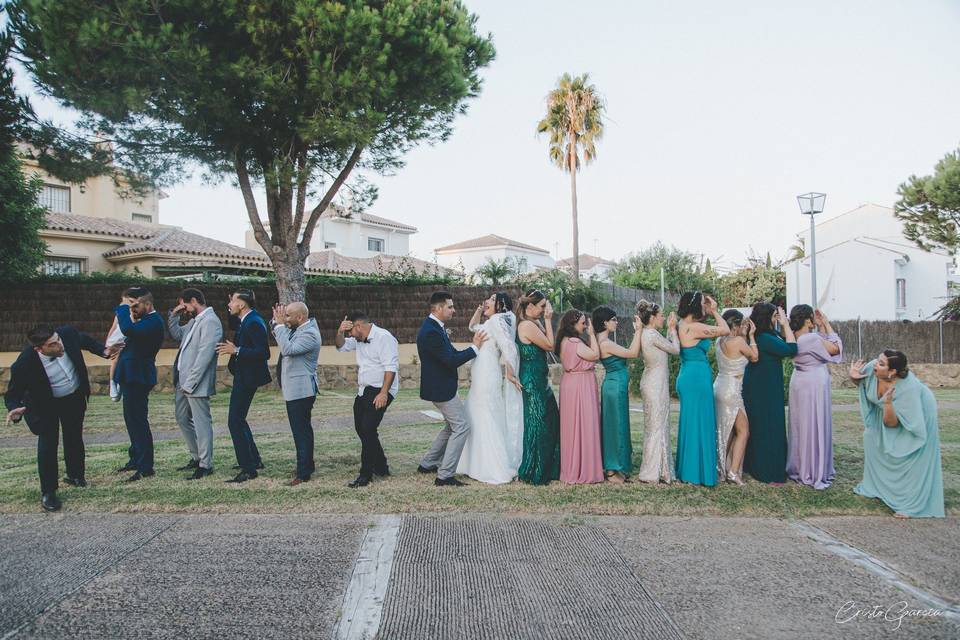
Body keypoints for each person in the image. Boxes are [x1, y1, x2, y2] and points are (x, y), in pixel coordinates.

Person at [4, 325, 115, 511]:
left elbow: (84, 340)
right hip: (45, 404)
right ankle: (48, 492)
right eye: (53, 344)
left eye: (58, 340)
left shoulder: (67, 335)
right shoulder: (25, 363)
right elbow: (13, 393)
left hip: (73, 398)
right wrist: (14, 408)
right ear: (39, 349)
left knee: (73, 435)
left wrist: (102, 351)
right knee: (48, 444)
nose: (59, 345)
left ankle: (76, 475)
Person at [850, 351, 944, 518]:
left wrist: (887, 403)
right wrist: (854, 377)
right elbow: (864, 384)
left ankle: (911, 504)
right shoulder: (873, 368)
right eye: (877, 361)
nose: (874, 365)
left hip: (916, 411)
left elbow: (891, 423)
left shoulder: (908, 388)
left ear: (892, 372)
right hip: (888, 410)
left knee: (914, 454)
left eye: (881, 364)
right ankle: (875, 487)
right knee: (870, 437)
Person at [417, 291, 487, 487]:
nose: (453, 310)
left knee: (451, 426)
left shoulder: (435, 327)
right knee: (462, 426)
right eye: (450, 307)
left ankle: (428, 463)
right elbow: (450, 360)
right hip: (441, 389)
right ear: (438, 308)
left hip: (442, 386)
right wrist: (474, 348)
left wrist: (470, 349)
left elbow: (450, 353)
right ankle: (445, 475)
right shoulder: (431, 331)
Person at [456, 292, 524, 484]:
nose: (487, 301)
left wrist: (509, 373)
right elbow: (472, 326)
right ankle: (473, 462)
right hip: (481, 371)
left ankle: (492, 465)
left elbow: (510, 348)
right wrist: (479, 310)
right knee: (476, 412)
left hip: (488, 372)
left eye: (492, 300)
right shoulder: (492, 322)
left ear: (500, 305)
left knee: (486, 413)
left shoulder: (495, 322)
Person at [336, 312, 401, 488]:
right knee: (362, 429)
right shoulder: (358, 338)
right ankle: (381, 466)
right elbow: (340, 346)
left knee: (368, 428)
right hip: (364, 389)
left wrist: (383, 393)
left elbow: (391, 366)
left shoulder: (384, 337)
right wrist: (340, 331)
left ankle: (365, 475)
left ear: (359, 326)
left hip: (381, 388)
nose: (350, 335)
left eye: (350, 331)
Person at [167, 288, 222, 480]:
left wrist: (191, 382)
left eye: (185, 305)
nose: (185, 309)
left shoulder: (211, 321)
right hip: (182, 381)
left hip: (196, 382)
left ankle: (205, 464)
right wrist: (174, 315)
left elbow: (205, 356)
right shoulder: (193, 322)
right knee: (182, 418)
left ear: (193, 300)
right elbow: (176, 334)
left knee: (201, 423)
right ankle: (196, 456)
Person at [675, 292, 729, 487]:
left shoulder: (681, 325)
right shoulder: (695, 328)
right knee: (700, 421)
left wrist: (707, 310)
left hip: (687, 375)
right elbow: (725, 329)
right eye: (701, 304)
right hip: (696, 378)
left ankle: (688, 469)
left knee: (691, 422)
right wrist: (714, 311)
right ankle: (695, 472)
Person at [217, 290, 271, 483]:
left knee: (234, 421)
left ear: (242, 304)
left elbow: (264, 352)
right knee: (239, 419)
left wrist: (236, 350)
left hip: (248, 377)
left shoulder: (254, 322)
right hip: (243, 375)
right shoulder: (246, 319)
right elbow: (233, 321)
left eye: (233, 300)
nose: (229, 303)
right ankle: (253, 460)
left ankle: (248, 469)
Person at [787, 306, 842, 489]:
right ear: (808, 321)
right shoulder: (811, 338)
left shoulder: (793, 337)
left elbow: (821, 345)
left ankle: (801, 464)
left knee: (801, 424)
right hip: (814, 382)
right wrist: (826, 323)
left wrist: (820, 329)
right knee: (815, 422)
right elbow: (835, 349)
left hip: (799, 381)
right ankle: (814, 468)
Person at [113, 286, 165, 482]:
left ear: (147, 304)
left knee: (138, 422)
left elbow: (128, 329)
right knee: (131, 420)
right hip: (131, 376)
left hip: (139, 377)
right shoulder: (145, 320)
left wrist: (122, 307)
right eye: (131, 305)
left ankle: (145, 466)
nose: (133, 309)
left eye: (136, 305)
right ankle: (135, 458)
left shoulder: (154, 322)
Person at [742, 303, 797, 484]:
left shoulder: (764, 336)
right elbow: (791, 349)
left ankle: (754, 464)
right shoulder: (764, 338)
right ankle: (768, 469)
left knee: (759, 424)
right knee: (768, 426)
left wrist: (782, 325)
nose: (777, 320)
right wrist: (786, 325)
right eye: (774, 316)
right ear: (767, 318)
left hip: (760, 384)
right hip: (764, 388)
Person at [271, 301, 322, 486]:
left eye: (288, 316)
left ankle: (303, 473)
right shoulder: (297, 329)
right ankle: (307, 465)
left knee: (301, 432)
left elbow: (288, 349)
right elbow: (279, 334)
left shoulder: (309, 334)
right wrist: (278, 322)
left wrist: (279, 325)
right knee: (302, 431)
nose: (285, 319)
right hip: (295, 390)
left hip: (301, 391)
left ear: (300, 317)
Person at [515, 290, 561, 485]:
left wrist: (545, 322)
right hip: (532, 381)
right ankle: (535, 469)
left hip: (541, 379)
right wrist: (549, 320)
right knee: (538, 424)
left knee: (550, 420)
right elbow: (551, 345)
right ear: (530, 306)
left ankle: (549, 467)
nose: (544, 310)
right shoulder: (526, 325)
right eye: (542, 306)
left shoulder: (534, 323)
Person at [594, 305, 643, 483]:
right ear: (604, 322)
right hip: (614, 387)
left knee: (616, 425)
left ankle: (616, 466)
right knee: (615, 426)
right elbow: (633, 353)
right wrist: (638, 331)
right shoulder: (605, 343)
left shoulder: (604, 341)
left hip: (615, 386)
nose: (616, 322)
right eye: (613, 319)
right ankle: (612, 470)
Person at [635, 300, 679, 484]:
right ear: (653, 317)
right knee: (658, 425)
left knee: (653, 425)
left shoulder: (646, 333)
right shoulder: (652, 334)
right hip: (656, 384)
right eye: (661, 315)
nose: (663, 317)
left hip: (650, 381)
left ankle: (654, 468)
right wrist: (673, 329)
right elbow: (675, 349)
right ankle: (657, 471)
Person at [556, 309, 603, 484]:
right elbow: (595, 355)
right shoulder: (575, 342)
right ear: (573, 324)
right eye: (582, 323)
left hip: (569, 383)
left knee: (571, 428)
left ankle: (571, 468)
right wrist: (592, 335)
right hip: (581, 385)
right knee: (585, 424)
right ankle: (583, 470)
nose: (585, 326)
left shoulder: (563, 341)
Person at [713, 309, 758, 485]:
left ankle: (721, 467)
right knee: (743, 431)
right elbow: (754, 357)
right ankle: (732, 472)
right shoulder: (739, 341)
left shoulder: (719, 340)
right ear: (737, 325)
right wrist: (751, 336)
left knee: (726, 430)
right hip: (732, 390)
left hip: (719, 386)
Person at [105, 298, 127, 402]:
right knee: (115, 360)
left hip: (128, 338)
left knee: (125, 360)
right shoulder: (120, 313)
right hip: (117, 338)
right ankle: (112, 382)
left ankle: (119, 382)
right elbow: (113, 327)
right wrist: (107, 341)